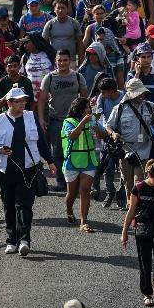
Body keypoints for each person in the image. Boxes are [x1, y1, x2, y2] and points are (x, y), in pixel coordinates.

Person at [0, 87, 56, 256]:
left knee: (24, 205)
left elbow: (41, 142)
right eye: (18, 101)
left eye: (23, 100)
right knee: (8, 205)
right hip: (4, 170)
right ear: (9, 103)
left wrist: (50, 161)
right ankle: (11, 240)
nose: (22, 103)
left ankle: (24, 239)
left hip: (29, 168)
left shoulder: (31, 117)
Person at [120, 158, 154, 307]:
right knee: (145, 263)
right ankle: (147, 293)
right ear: (149, 175)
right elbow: (131, 211)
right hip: (143, 229)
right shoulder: (138, 189)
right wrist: (124, 232)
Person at [38, 49, 88, 192]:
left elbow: (85, 99)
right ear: (55, 61)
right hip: (56, 120)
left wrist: (85, 119)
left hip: (75, 121)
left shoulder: (78, 77)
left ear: (70, 61)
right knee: (58, 152)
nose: (62, 63)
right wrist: (41, 119)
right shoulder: (50, 78)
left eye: (65, 60)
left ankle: (75, 181)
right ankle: (61, 181)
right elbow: (41, 100)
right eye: (59, 60)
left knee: (76, 151)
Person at [106, 77, 154, 204]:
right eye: (137, 93)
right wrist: (113, 134)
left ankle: (138, 209)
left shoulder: (150, 107)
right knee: (128, 184)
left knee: (139, 182)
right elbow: (108, 125)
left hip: (145, 150)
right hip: (126, 150)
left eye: (142, 92)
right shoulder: (119, 108)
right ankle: (131, 209)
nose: (141, 95)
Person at [61, 95, 106, 231]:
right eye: (87, 107)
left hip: (88, 160)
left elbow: (104, 135)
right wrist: (83, 122)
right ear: (80, 109)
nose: (89, 109)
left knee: (85, 190)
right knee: (72, 194)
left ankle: (83, 222)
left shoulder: (92, 120)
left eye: (89, 107)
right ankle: (69, 210)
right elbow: (72, 136)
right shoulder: (68, 122)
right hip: (72, 161)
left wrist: (99, 131)